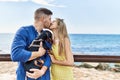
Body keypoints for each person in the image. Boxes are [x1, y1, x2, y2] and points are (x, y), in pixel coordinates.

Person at [11, 8, 53, 80]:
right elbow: (16, 54)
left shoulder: (46, 34)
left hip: (44, 76)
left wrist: (42, 71)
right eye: (49, 19)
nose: (50, 22)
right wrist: (39, 54)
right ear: (43, 19)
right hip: (26, 76)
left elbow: (49, 55)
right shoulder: (23, 31)